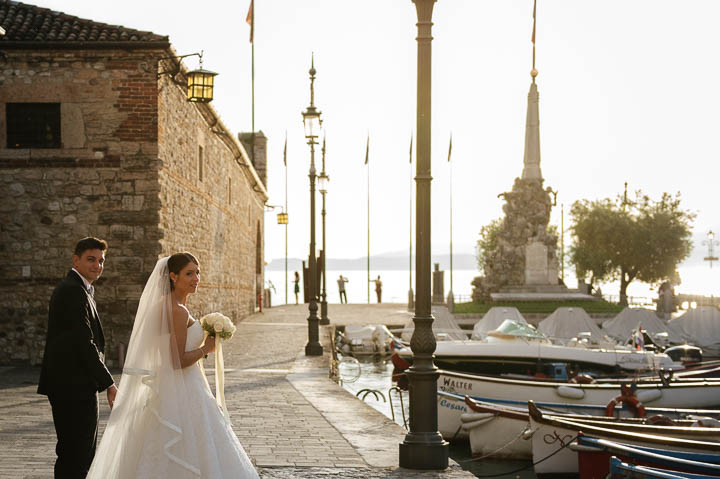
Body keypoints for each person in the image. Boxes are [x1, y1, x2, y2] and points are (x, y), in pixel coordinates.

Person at [86, 253, 258, 478]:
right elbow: (178, 360)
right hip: (183, 388)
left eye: (197, 273)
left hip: (171, 387)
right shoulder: (177, 310)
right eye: (189, 273)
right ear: (173, 277)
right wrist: (208, 348)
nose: (196, 278)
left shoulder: (167, 305)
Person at [38, 237, 117, 479]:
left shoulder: (80, 288)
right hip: (72, 386)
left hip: (74, 384)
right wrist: (109, 383)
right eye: (91, 259)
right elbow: (84, 342)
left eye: (101, 261)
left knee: (76, 452)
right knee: (77, 454)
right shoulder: (73, 291)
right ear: (76, 260)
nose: (97, 265)